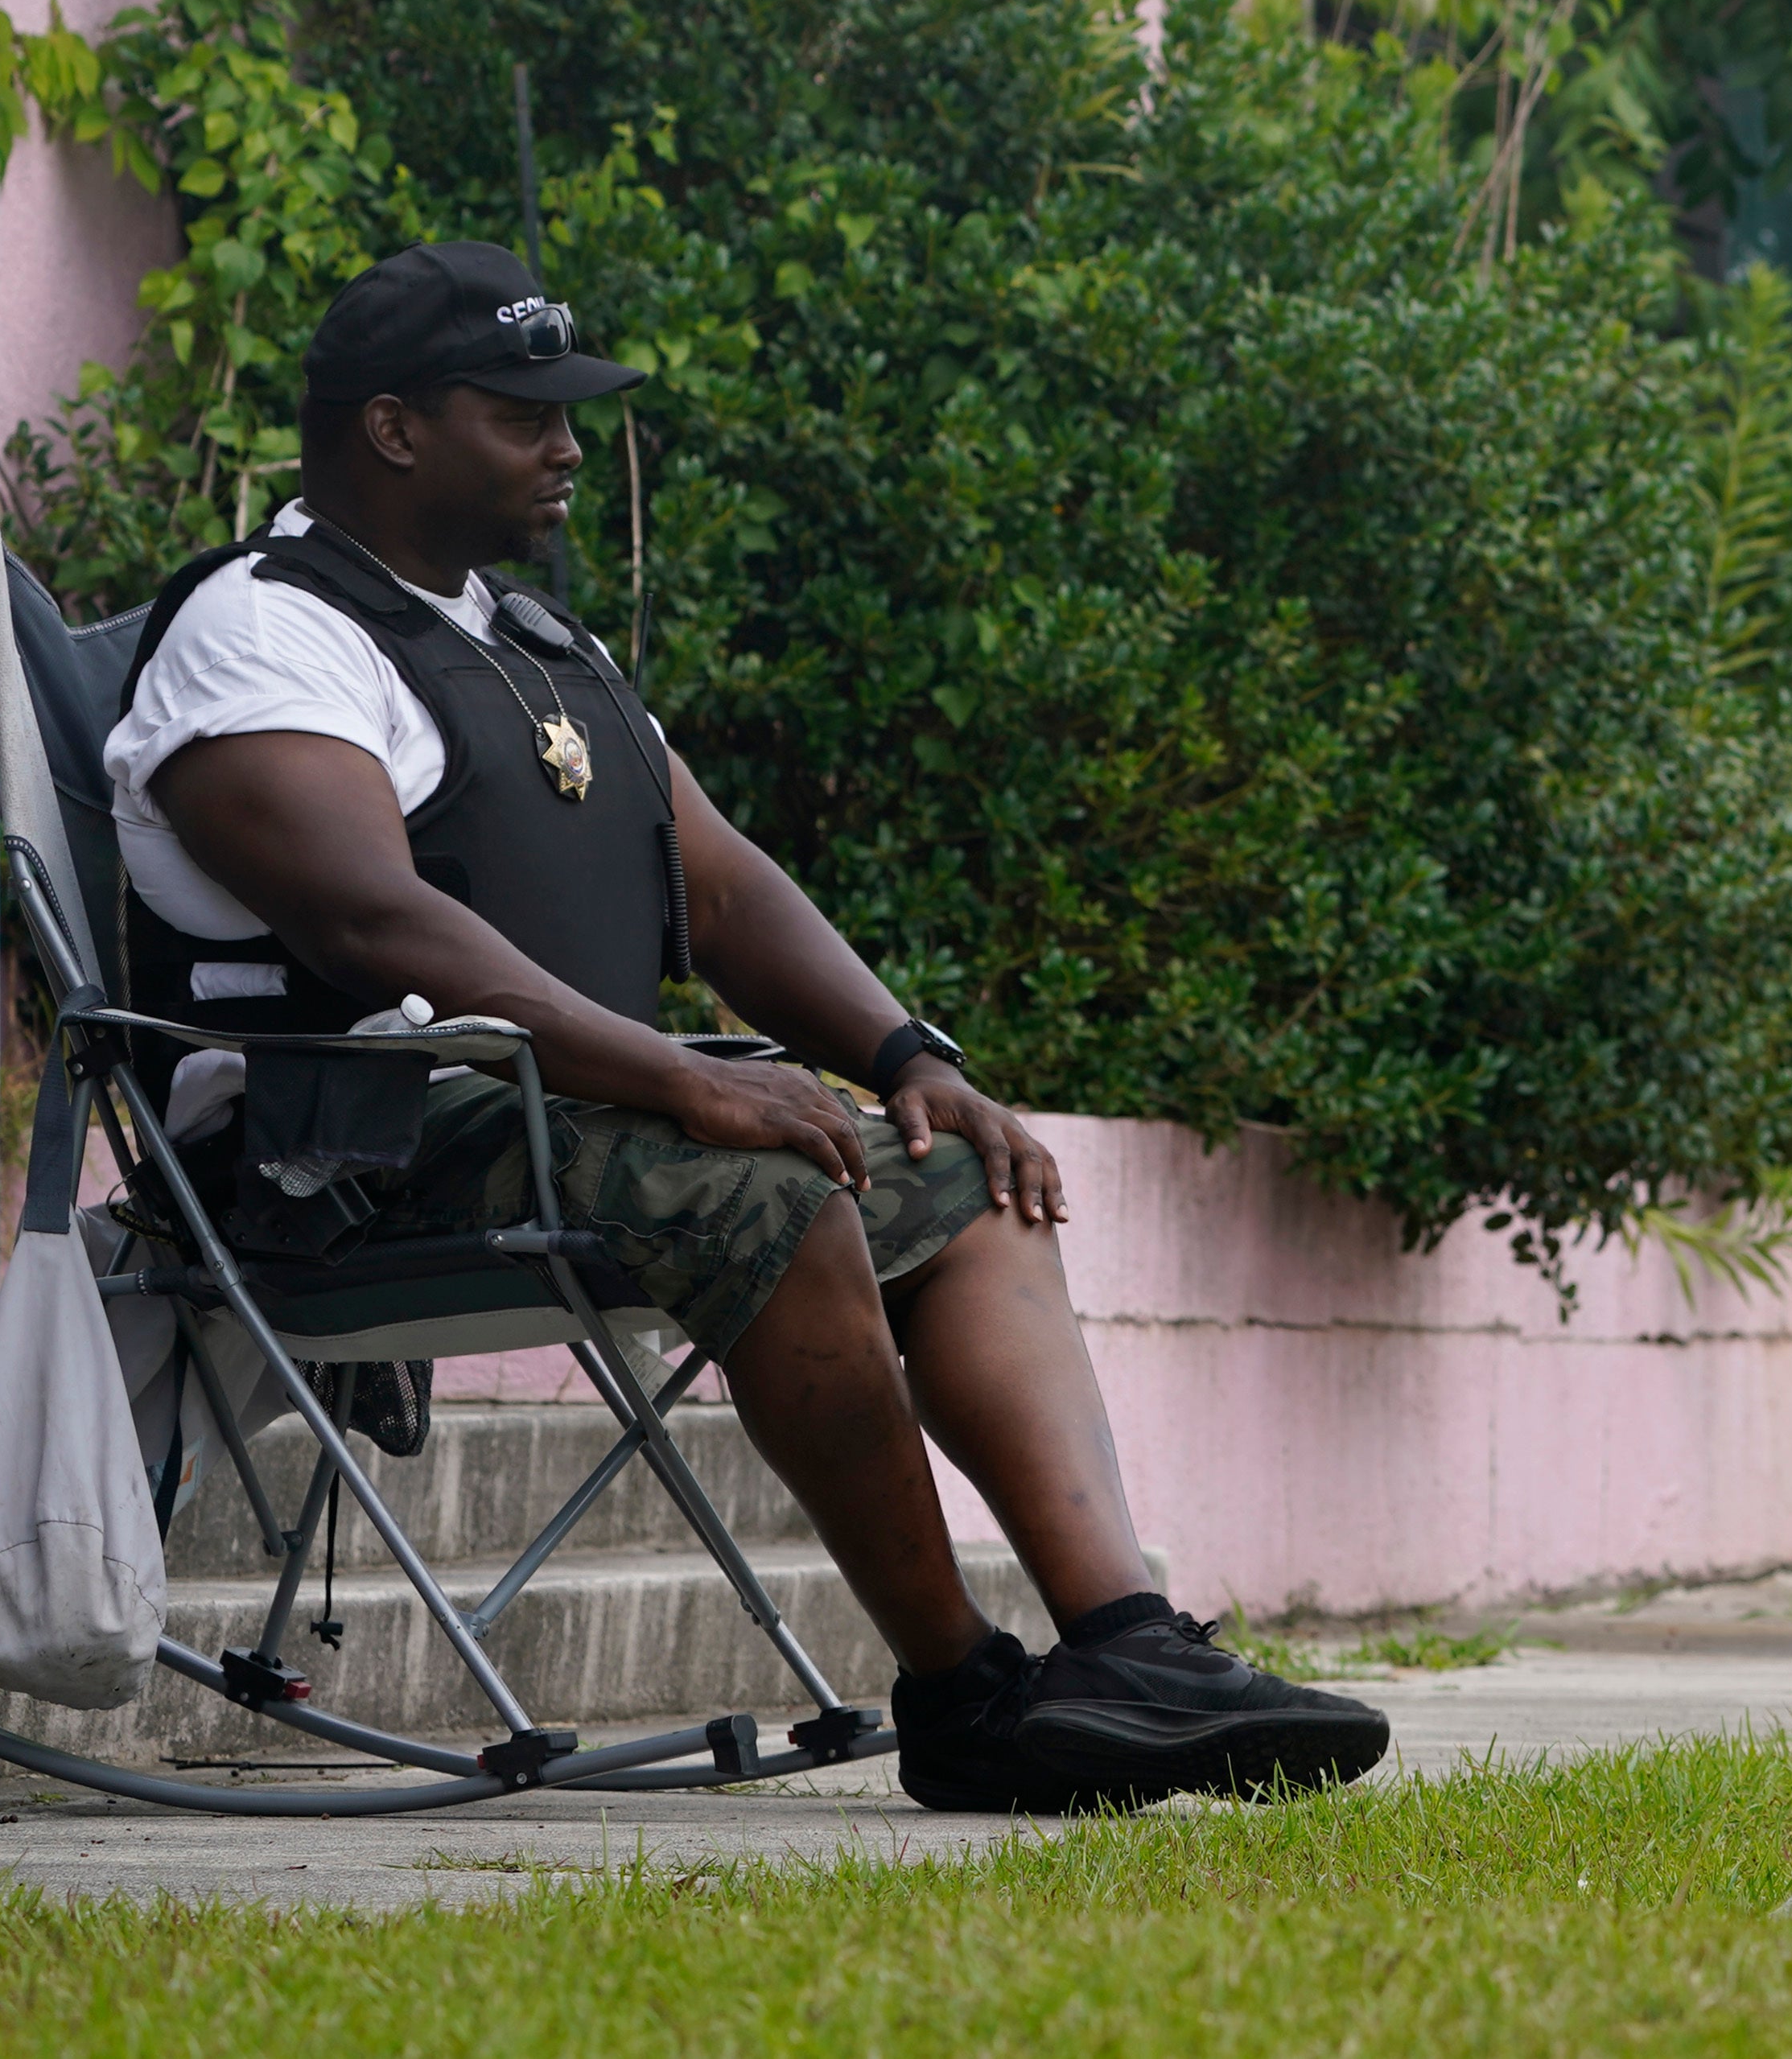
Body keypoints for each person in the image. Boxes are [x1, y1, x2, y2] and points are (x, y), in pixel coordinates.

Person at [100, 240, 1385, 1812]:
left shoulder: (528, 642)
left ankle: (1124, 1643)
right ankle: (964, 1692)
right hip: (340, 1152)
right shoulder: (263, 632)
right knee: (774, 1185)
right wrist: (687, 1087)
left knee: (952, 1172)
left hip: (552, 1118)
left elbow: (715, 883)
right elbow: (375, 921)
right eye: (524, 413)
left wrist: (915, 1059)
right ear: (393, 428)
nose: (569, 446)